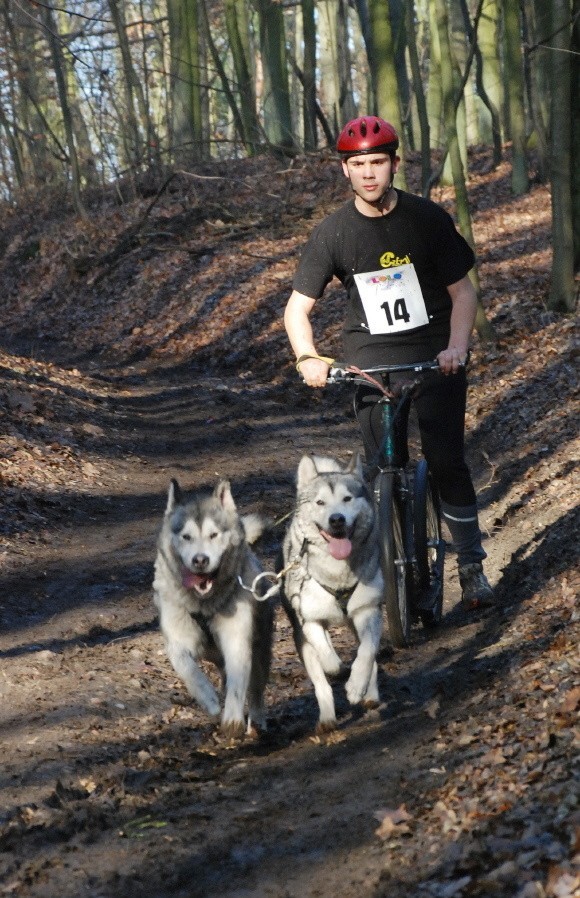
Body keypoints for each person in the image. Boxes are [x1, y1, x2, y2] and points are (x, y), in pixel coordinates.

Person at [283, 115, 494, 610]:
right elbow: (297, 310)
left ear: (394, 164)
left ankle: (471, 567)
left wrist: (457, 348)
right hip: (368, 361)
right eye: (358, 164)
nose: (369, 172)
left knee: (445, 461)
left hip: (434, 355)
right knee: (379, 470)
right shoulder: (333, 233)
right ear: (345, 172)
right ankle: (386, 574)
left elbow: (463, 294)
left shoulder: (427, 220)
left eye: (378, 162)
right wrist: (307, 357)